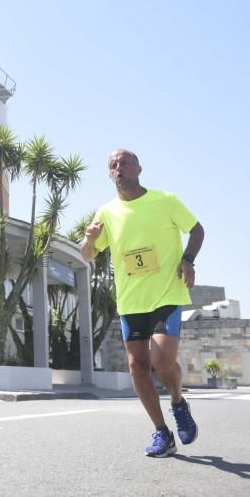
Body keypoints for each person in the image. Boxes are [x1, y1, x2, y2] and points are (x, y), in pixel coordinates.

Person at [80, 149, 205, 457]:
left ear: (138, 168)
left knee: (161, 360)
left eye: (123, 162)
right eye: (112, 165)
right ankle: (163, 433)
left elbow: (197, 230)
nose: (117, 167)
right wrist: (90, 239)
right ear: (110, 175)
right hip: (131, 301)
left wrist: (188, 259)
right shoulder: (105, 213)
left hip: (167, 294)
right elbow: (87, 254)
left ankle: (178, 402)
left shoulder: (165, 200)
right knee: (137, 366)